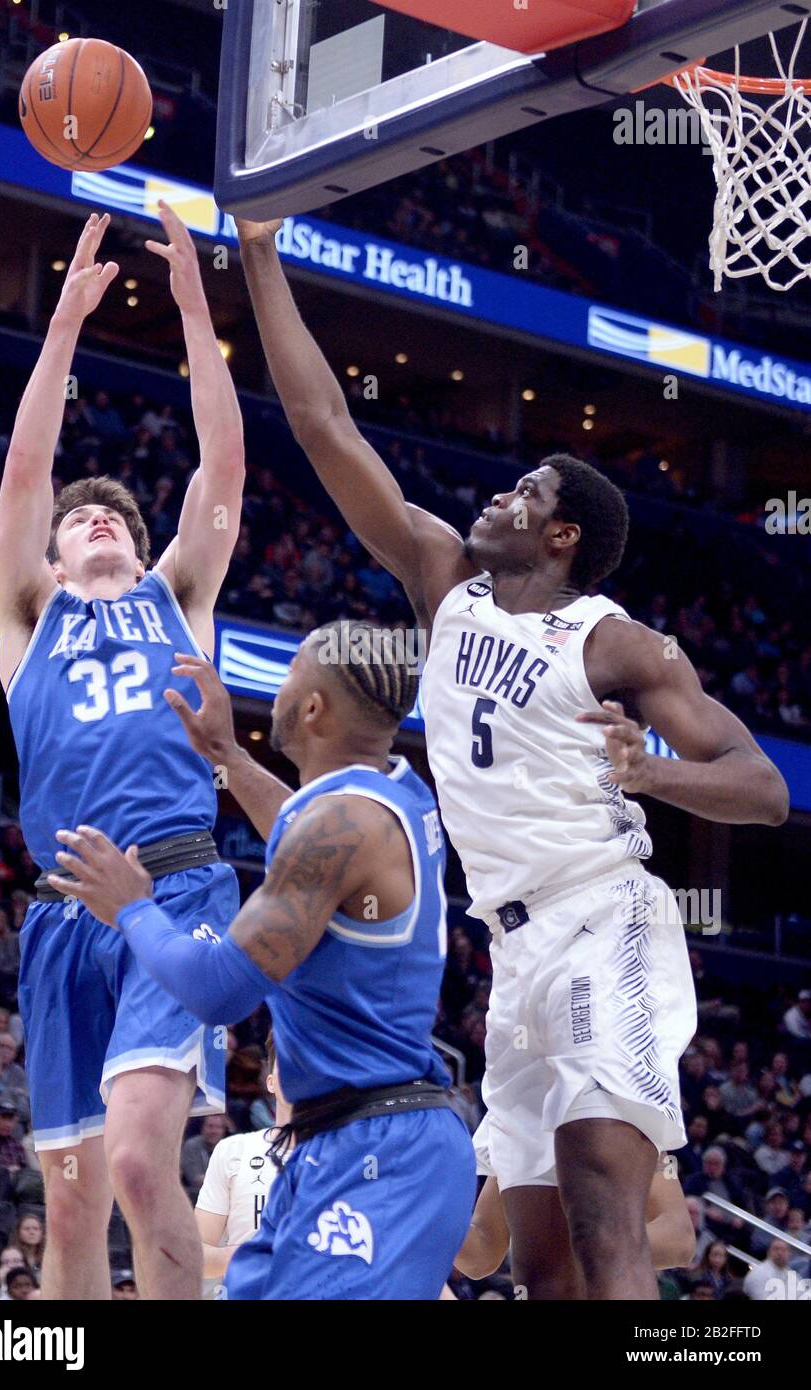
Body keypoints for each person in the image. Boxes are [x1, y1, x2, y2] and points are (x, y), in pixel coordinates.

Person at [234, 215, 789, 1300]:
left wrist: (655, 774)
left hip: (602, 917)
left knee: (603, 1205)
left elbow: (763, 787)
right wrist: (259, 255)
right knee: (541, 1265)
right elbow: (322, 422)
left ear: (562, 535)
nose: (500, 493)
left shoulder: (613, 641)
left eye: (526, 493)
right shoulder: (444, 583)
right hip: (513, 953)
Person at [49, 627, 477, 1300]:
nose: (274, 694)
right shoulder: (391, 793)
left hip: (378, 1152)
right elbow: (302, 833)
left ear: (312, 710)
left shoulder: (339, 828)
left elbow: (217, 992)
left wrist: (132, 907)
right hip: (342, 1142)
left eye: (287, 680)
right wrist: (223, 754)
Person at [0, 206, 246, 1300]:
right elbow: (28, 470)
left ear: (144, 548)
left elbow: (222, 464)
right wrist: (59, 332)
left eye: (117, 520)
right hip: (59, 909)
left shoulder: (178, 596)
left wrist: (195, 312)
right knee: (74, 1201)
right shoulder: (24, 611)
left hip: (175, 882)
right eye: (81, 520)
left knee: (145, 1164)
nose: (98, 520)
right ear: (47, 553)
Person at [455, 1144, 695, 1284]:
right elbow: (481, 1256)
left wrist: (576, 1246)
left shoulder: (621, 1104)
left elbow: (679, 1239)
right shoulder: (512, 1115)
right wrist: (430, 1212)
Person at [195, 1031, 292, 1295]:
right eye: (290, 1062)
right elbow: (196, 1255)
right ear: (270, 1082)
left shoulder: (346, 1157)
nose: (299, 1073)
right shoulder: (234, 1150)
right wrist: (254, 1255)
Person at [181, 1114, 230, 1200]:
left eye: (218, 1127)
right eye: (210, 1126)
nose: (214, 1131)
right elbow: (195, 1179)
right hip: (198, 1197)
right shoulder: (191, 1146)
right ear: (202, 1129)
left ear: (223, 1131)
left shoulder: (228, 1149)